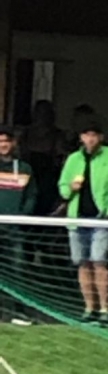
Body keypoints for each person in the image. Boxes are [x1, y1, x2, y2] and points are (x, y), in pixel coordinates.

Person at [57, 120, 108, 326]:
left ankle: (105, 309)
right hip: (77, 218)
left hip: (100, 218)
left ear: (101, 137)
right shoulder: (73, 159)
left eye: (94, 135)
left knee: (99, 261)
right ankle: (89, 308)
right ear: (81, 138)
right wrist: (70, 188)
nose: (90, 139)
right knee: (82, 263)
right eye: (86, 135)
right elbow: (62, 186)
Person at [0, 126, 37, 324]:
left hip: (14, 229)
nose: (3, 145)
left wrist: (21, 216)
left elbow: (31, 196)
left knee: (18, 269)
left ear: (13, 143)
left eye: (6, 141)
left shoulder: (24, 168)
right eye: (0, 142)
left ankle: (18, 311)